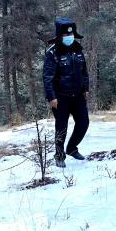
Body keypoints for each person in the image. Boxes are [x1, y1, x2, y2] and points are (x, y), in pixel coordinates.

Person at [43, 17, 90, 168]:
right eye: (65, 35)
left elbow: (84, 72)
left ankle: (71, 148)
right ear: (59, 36)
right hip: (60, 97)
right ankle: (59, 155)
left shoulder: (78, 50)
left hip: (78, 95)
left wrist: (86, 88)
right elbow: (47, 76)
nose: (69, 37)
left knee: (83, 123)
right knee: (61, 127)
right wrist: (51, 97)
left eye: (71, 35)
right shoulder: (52, 53)